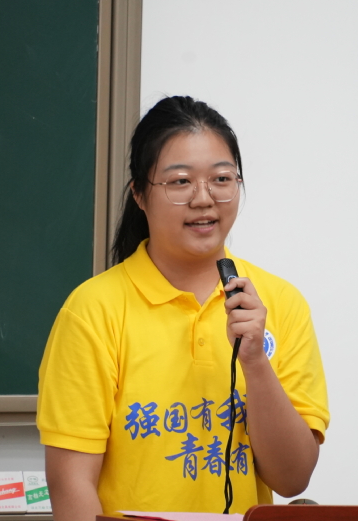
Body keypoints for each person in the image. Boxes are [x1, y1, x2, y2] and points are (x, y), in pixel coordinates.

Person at [36, 96, 329, 519]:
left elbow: (292, 479)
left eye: (222, 179)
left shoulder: (280, 302)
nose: (203, 198)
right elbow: (71, 484)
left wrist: (255, 362)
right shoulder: (93, 311)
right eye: (180, 182)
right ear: (139, 194)